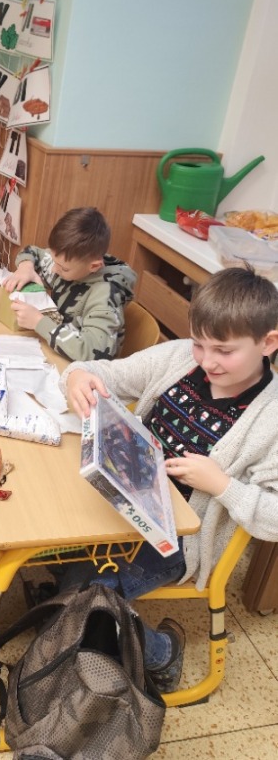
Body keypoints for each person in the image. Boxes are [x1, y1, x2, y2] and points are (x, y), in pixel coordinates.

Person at [56, 266, 278, 691]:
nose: (207, 361)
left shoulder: (270, 418)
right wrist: (79, 378)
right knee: (53, 553)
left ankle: (162, 653)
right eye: (199, 343)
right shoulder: (179, 359)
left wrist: (222, 485)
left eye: (223, 350)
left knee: (86, 603)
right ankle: (69, 593)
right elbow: (101, 372)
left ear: (268, 343)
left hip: (177, 541)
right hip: (123, 504)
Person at [4, 206, 136, 361]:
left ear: (94, 266)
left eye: (63, 268)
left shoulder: (105, 295)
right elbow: (32, 251)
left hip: (86, 370)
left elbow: (92, 352)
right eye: (54, 261)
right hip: (58, 354)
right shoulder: (71, 260)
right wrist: (26, 266)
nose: (54, 269)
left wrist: (39, 322)